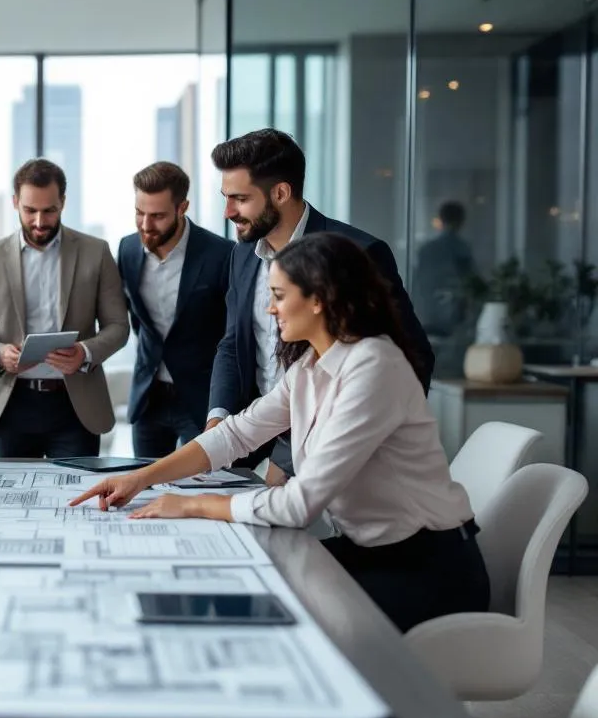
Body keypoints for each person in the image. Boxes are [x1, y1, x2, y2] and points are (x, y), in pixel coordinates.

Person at [71, 232, 489, 633]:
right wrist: (140, 477)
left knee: (269, 611)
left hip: (427, 570)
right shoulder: (308, 367)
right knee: (245, 583)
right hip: (369, 552)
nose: (271, 310)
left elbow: (300, 504)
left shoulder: (375, 366)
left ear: (319, 300)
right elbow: (234, 435)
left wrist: (193, 505)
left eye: (279, 296)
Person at [206, 128, 433, 481]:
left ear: (280, 192)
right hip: (253, 437)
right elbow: (232, 343)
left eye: (239, 198)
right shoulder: (241, 256)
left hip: (336, 453)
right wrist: (218, 419)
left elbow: (413, 358)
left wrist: (304, 453)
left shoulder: (357, 254)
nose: (227, 211)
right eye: (225, 197)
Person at [0, 158, 129, 458]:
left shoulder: (96, 252)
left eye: (49, 210)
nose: (39, 222)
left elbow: (118, 325)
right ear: (15, 203)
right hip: (11, 406)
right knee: (9, 503)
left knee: (77, 501)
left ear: (62, 202)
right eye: (30, 210)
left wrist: (84, 353)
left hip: (76, 407)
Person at [116, 162, 233, 458]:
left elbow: (231, 334)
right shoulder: (127, 249)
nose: (145, 225)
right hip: (148, 398)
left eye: (157, 216)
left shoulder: (221, 255)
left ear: (182, 208)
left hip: (201, 400)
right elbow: (138, 320)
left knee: (201, 490)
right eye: (139, 213)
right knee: (143, 487)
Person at [413, 200, 476, 338]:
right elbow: (471, 284)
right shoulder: (462, 249)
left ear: (441, 219)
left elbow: (416, 282)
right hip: (452, 319)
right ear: (461, 221)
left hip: (425, 315)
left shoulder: (426, 249)